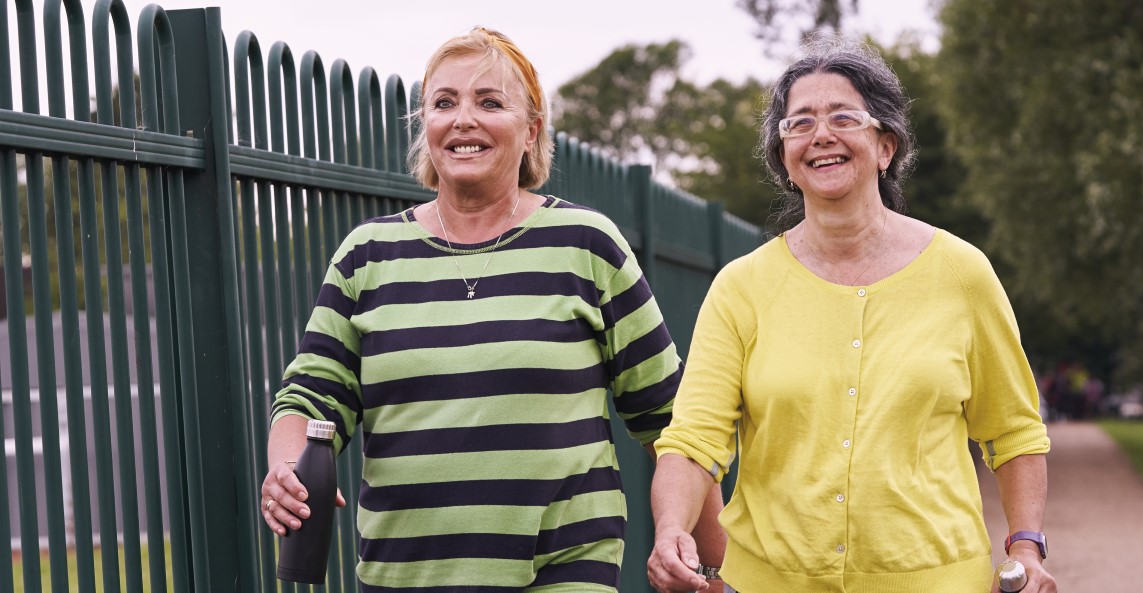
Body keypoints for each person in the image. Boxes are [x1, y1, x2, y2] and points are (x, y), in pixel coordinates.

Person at [258, 27, 725, 592]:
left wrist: (718, 566)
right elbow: (312, 396)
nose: (463, 120)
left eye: (489, 102)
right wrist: (285, 465)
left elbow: (669, 422)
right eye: (444, 103)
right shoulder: (366, 256)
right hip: (403, 574)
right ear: (424, 127)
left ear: (531, 132)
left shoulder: (586, 244)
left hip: (563, 571)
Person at [647, 35, 1056, 593]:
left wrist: (1027, 545)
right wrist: (672, 528)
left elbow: (1013, 431)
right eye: (800, 123)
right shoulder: (741, 288)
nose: (821, 135)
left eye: (844, 117)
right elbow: (693, 441)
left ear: (885, 147)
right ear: (785, 158)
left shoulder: (963, 273)